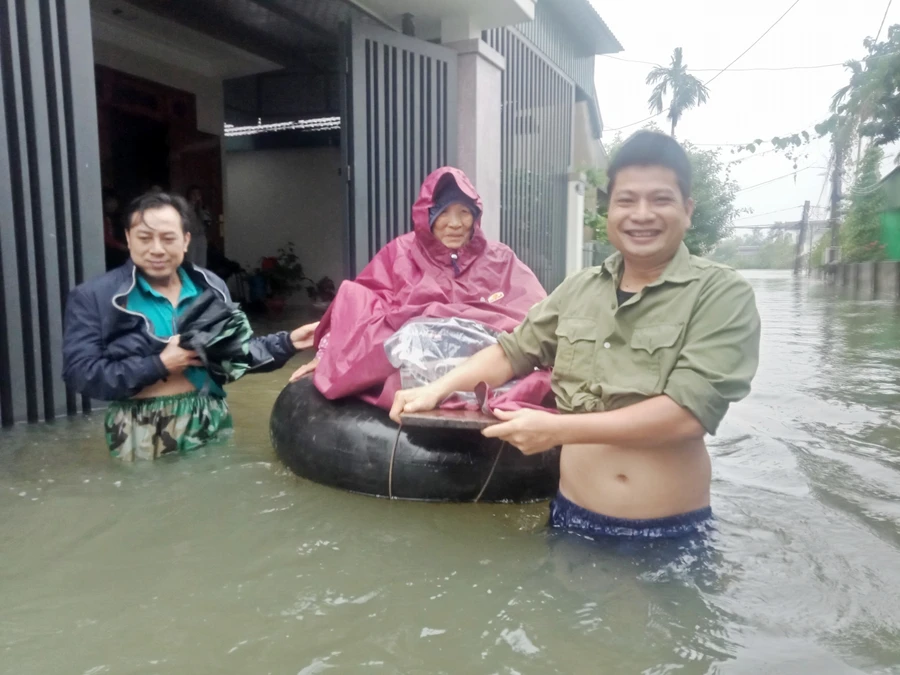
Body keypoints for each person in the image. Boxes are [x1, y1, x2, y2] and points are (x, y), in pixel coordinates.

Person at [390, 131, 761, 541]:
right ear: (608, 210)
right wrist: (437, 389)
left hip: (666, 535)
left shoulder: (721, 293)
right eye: (626, 200)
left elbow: (686, 417)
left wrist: (556, 431)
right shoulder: (579, 288)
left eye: (660, 200)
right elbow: (512, 353)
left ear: (687, 210)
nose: (641, 214)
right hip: (569, 521)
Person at [63, 191, 317, 461]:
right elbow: (80, 372)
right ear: (127, 238)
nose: (157, 249)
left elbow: (232, 357)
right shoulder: (96, 296)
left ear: (185, 241)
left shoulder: (211, 287)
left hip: (210, 414)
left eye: (168, 238)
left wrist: (287, 342)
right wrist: (160, 364)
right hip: (141, 425)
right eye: (145, 238)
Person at [288, 166, 548, 411]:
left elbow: (534, 314)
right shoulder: (400, 253)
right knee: (405, 331)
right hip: (421, 361)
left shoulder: (500, 258)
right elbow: (360, 304)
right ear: (428, 216)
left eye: (464, 212)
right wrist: (326, 355)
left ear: (475, 216)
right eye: (444, 212)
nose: (455, 223)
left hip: (489, 360)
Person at [186, 185, 212, 268]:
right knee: (191, 261)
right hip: (191, 236)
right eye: (194, 194)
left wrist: (200, 208)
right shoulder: (186, 207)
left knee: (202, 262)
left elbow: (208, 221)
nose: (196, 196)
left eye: (198, 194)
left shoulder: (203, 207)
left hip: (201, 236)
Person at [102, 189, 128, 270]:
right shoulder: (100, 218)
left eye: (115, 202)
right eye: (110, 202)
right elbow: (106, 238)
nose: (113, 205)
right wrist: (121, 246)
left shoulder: (114, 218)